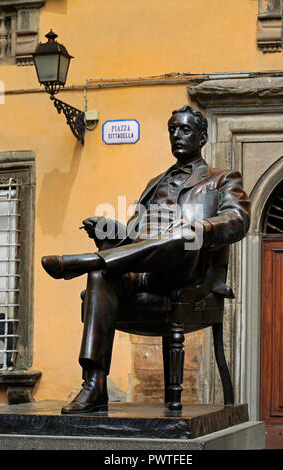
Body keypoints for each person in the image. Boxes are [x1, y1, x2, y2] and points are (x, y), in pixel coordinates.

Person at [41, 105, 251, 414]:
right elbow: (134, 234)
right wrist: (110, 229)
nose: (176, 135)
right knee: (102, 276)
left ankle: (93, 260)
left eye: (185, 130)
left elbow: (238, 219)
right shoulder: (156, 181)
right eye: (172, 130)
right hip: (140, 270)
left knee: (182, 237)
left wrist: (199, 228)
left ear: (203, 137)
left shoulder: (221, 180)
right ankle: (94, 384)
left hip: (185, 273)